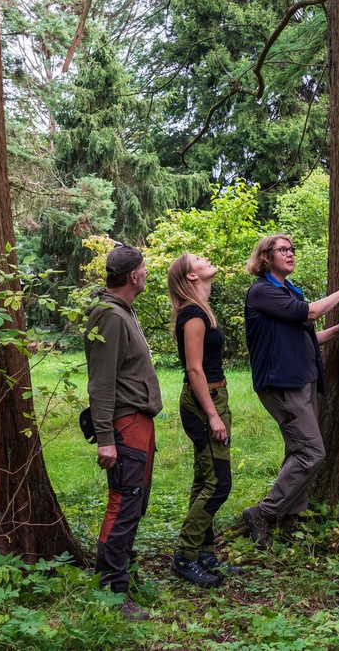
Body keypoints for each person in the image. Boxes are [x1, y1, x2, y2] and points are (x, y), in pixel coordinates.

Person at [242, 233, 339, 547]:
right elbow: (309, 314)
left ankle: (291, 517)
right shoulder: (262, 291)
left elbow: (307, 336)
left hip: (303, 380)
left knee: (299, 451)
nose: (291, 253)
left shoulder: (289, 291)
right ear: (266, 257)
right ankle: (263, 513)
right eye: (283, 249)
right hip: (282, 384)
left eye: (292, 248)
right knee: (312, 452)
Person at [84, 245, 162, 618]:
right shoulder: (110, 316)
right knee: (123, 504)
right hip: (124, 424)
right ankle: (112, 591)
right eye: (144, 269)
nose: (146, 274)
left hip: (139, 422)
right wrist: (105, 439)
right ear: (134, 275)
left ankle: (122, 575)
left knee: (136, 503)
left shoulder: (124, 312)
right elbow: (101, 384)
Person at [166, 253, 232, 587]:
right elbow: (194, 369)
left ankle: (204, 554)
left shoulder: (202, 309)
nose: (205, 258)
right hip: (202, 402)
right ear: (190, 277)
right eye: (198, 259)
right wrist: (212, 415)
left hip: (214, 397)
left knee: (204, 478)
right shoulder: (192, 314)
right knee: (219, 483)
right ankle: (185, 558)